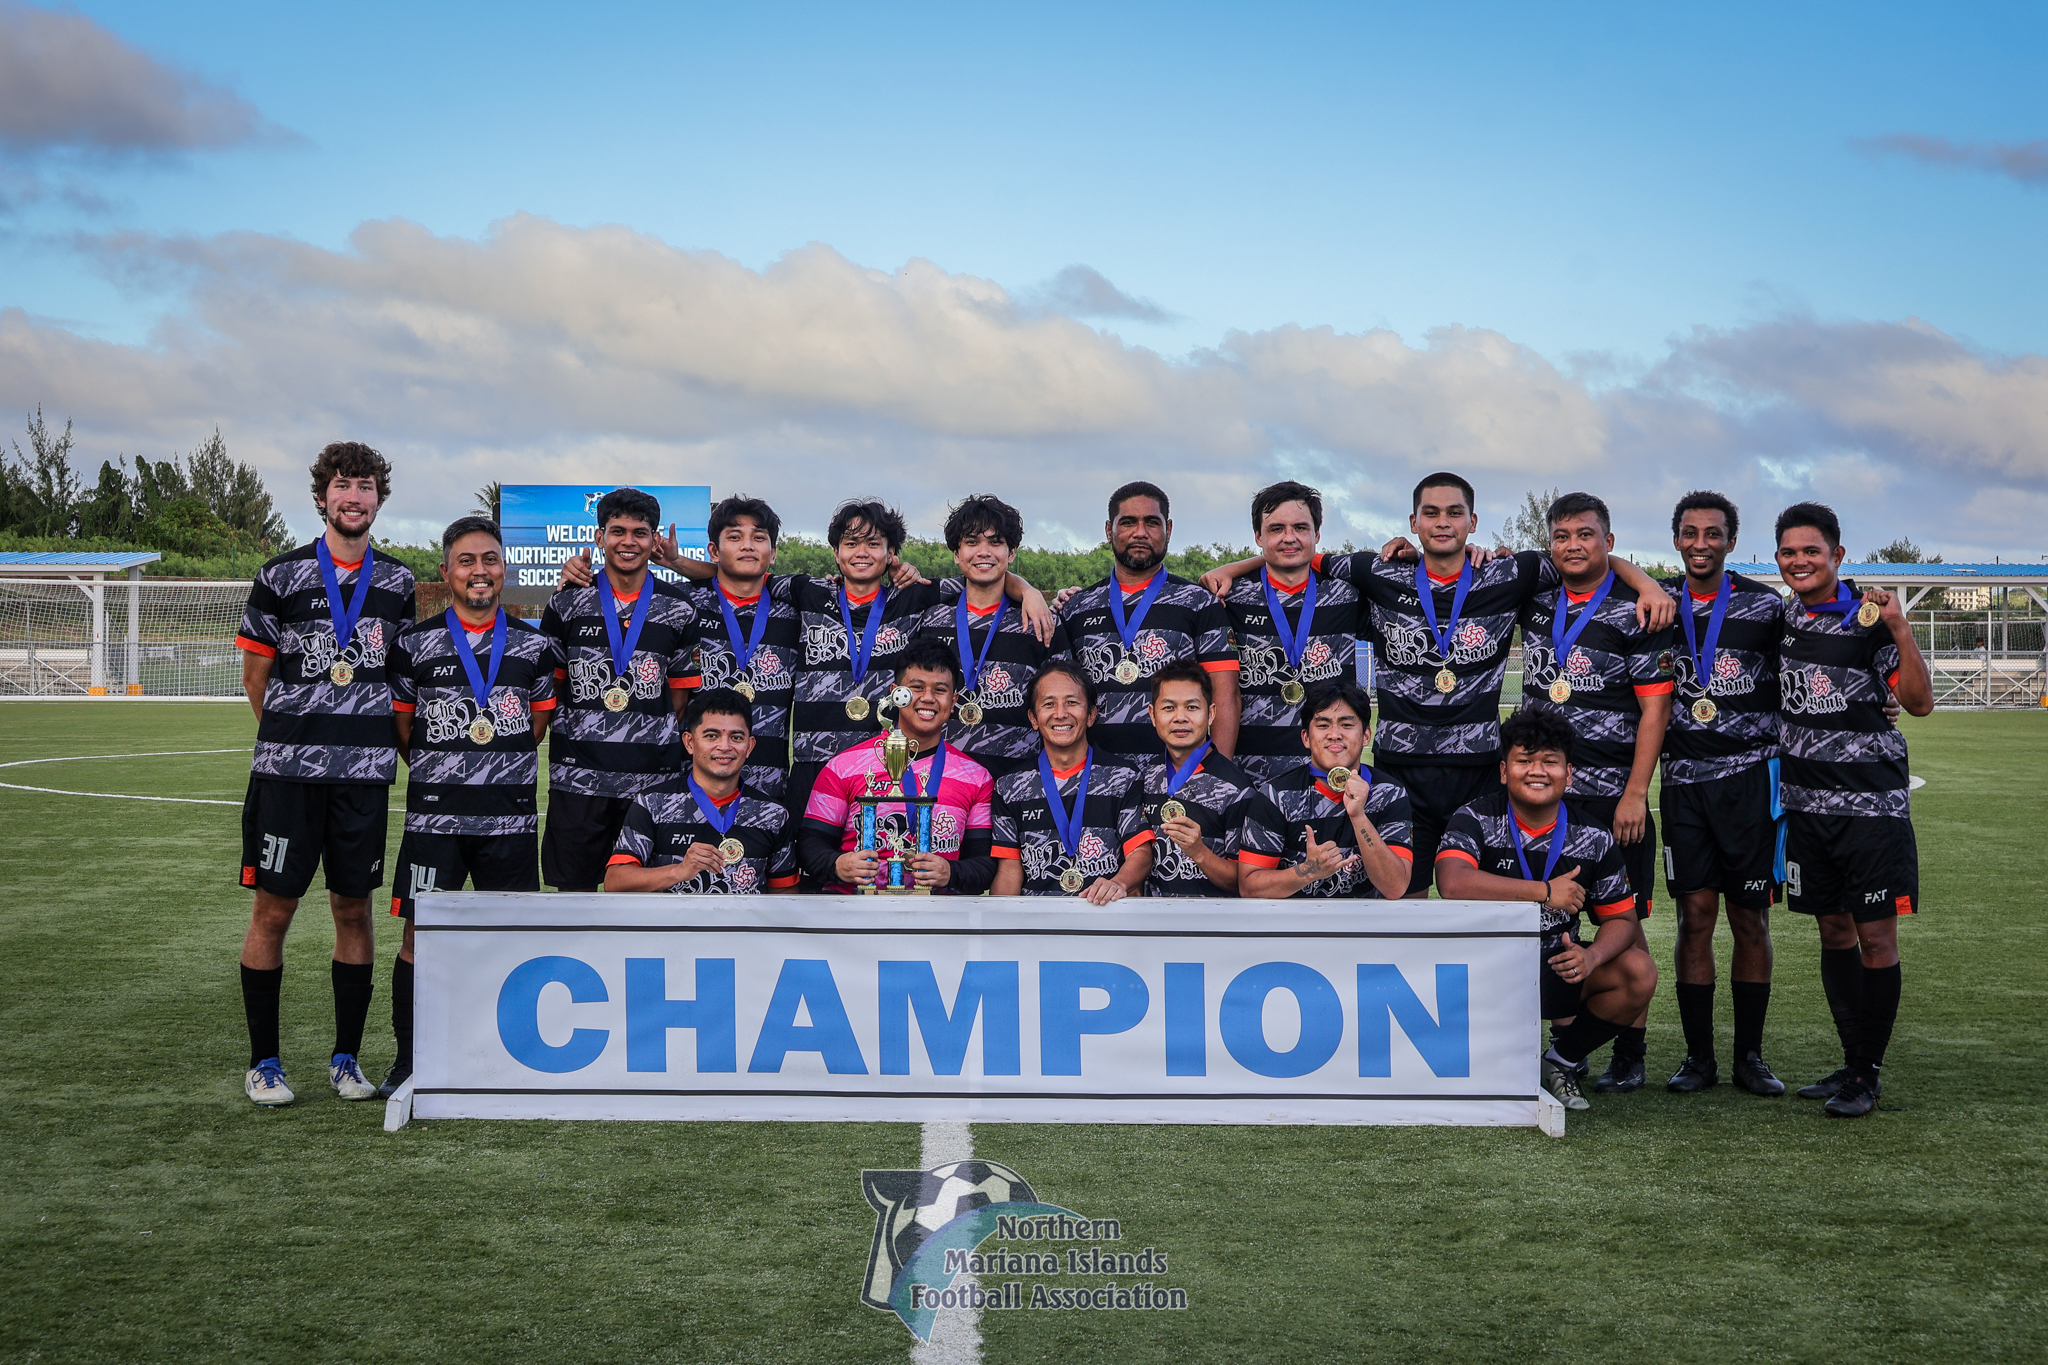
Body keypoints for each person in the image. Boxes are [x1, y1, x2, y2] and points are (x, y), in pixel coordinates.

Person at [1204, 472, 1675, 896]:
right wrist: (1230, 569)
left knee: (1477, 898)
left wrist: (1648, 585)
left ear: (1473, 522)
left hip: (1478, 771)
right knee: (1404, 901)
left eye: (1455, 513)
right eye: (1431, 512)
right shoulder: (1378, 573)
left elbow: (1587, 560)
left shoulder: (1509, 573)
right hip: (1400, 773)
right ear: (1413, 521)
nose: (1443, 522)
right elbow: (1295, 554)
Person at [559, 496, 1054, 828]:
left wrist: (1028, 587)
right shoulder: (803, 592)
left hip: (888, 764)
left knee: (893, 866)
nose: (862, 553)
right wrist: (672, 563)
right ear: (835, 552)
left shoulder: (918, 596)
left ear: (892, 553)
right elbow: (735, 572)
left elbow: (982, 578)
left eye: (875, 544)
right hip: (811, 767)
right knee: (813, 870)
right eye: (851, 544)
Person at [233, 441, 417, 1106]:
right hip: (289, 776)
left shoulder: (397, 583)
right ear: (322, 496)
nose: (353, 496)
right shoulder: (280, 575)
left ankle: (346, 1060)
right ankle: (265, 1062)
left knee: (354, 910)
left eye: (365, 486)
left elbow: (401, 684)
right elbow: (257, 679)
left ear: (378, 499)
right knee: (274, 910)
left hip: (363, 777)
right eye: (343, 484)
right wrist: (298, 736)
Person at [382, 516, 556, 1098]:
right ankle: (410, 1061)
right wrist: (447, 772)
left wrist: (490, 767)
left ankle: (509, 1058)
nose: (479, 571)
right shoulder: (413, 645)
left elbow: (535, 726)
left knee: (512, 938)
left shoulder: (535, 646)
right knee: (419, 937)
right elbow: (404, 729)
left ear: (503, 568)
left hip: (509, 819)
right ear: (447, 571)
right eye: (466, 560)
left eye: (489, 559)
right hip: (435, 820)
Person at [1774, 502, 1933, 1118]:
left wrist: (1900, 628)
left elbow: (1917, 704)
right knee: (1833, 930)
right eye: (1788, 552)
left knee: (1875, 935)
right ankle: (1850, 1062)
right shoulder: (1782, 617)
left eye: (1811, 551)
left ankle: (1867, 1073)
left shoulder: (1872, 621)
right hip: (1807, 808)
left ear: (1837, 555)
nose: (1799, 562)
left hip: (1872, 811)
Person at [1514, 491, 1673, 1093]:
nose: (1572, 546)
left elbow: (1654, 713)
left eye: (1586, 534)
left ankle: (1625, 1054)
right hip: (1543, 798)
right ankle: (1559, 1051)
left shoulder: (1639, 609)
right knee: (1549, 923)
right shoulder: (1537, 596)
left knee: (1623, 930)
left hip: (1612, 801)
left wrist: (1637, 793)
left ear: (1609, 539)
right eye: (1561, 536)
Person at [1434, 705, 1656, 1113]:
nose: (1537, 771)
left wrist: (1591, 956)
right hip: (1483, 970)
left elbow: (1622, 920)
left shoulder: (1591, 834)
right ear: (1504, 771)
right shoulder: (1476, 817)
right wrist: (1543, 891)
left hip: (1553, 965)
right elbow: (1451, 881)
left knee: (1639, 971)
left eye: (1550, 762)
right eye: (1525, 760)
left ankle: (1558, 1063)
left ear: (1569, 774)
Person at [1657, 491, 1789, 1097]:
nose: (1701, 544)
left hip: (1749, 782)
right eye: (1690, 533)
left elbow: (1814, 660)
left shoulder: (1766, 607)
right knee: (1694, 920)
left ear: (1732, 542)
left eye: (1713, 533)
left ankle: (1751, 1057)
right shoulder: (1654, 602)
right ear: (1677, 539)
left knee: (1749, 919)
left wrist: (1879, 693)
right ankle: (1698, 1058)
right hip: (1684, 782)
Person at [538, 488, 697, 892]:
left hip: (651, 782)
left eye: (640, 532)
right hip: (578, 778)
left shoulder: (678, 607)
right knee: (573, 894)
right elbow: (553, 686)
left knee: (647, 897)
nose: (629, 542)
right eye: (617, 531)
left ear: (654, 539)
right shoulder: (566, 603)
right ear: (599, 537)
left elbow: (680, 697)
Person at [1056, 482, 1240, 762]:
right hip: (1096, 779)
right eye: (1128, 522)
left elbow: (1225, 698)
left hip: (1175, 774)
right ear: (1109, 530)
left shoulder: (1200, 604)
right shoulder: (1076, 608)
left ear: (1168, 529)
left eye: (1151, 523)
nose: (1140, 533)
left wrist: (1218, 776)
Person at [799, 636, 997, 894]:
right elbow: (808, 844)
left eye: (940, 690)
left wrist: (951, 872)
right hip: (853, 918)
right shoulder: (842, 767)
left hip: (939, 922)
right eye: (916, 687)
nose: (928, 698)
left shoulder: (977, 778)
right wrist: (838, 865)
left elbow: (984, 865)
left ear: (953, 701)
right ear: (896, 694)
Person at [910, 494, 1074, 780]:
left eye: (995, 542)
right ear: (957, 553)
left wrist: (1029, 592)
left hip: (1016, 784)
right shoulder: (931, 619)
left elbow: (1064, 699)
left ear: (1011, 553)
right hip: (940, 783)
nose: (983, 552)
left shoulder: (1040, 621)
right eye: (972, 542)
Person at [1220, 481, 1364, 785]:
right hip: (1250, 778)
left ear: (1317, 535)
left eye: (1300, 527)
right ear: (1258, 536)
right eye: (1276, 529)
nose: (1289, 538)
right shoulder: (1229, 600)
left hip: (1328, 777)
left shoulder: (1348, 596)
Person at [604, 688, 801, 894]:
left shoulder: (773, 814)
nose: (724, 746)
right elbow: (615, 881)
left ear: (749, 746)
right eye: (711, 736)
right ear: (689, 742)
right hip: (672, 926)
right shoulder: (653, 803)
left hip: (742, 927)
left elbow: (786, 895)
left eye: (736, 737)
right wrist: (678, 871)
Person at [991, 661, 1154, 901]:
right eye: (1049, 704)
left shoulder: (1123, 777)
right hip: (1037, 924)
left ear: (1091, 715)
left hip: (1104, 916)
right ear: (1033, 718)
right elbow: (1009, 870)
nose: (1060, 713)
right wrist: (1000, 930)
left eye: (1072, 702)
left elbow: (1140, 852)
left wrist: (1118, 883)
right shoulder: (1009, 787)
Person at [1237, 681, 1413, 900]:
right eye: (1323, 725)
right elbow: (1249, 887)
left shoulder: (1390, 794)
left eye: (1346, 725)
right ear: (1306, 738)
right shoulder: (1276, 795)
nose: (1334, 734)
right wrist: (1308, 871)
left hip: (1366, 929)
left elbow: (1395, 887)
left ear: (1367, 736)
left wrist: (1358, 816)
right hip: (1296, 928)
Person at [1137, 661, 1258, 896]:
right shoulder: (1144, 778)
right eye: (1169, 708)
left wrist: (1200, 852)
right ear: (1152, 715)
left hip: (1211, 926)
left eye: (1192, 708)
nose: (1180, 718)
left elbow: (1246, 882)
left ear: (1211, 713)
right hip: (1151, 926)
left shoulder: (1237, 789)